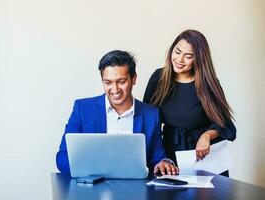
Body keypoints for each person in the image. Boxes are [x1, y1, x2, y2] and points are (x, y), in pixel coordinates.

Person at [56, 50, 178, 176]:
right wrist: (92, 168)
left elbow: (158, 157)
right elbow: (62, 158)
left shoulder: (151, 114)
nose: (115, 89)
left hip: (135, 191)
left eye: (121, 82)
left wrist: (164, 162)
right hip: (94, 189)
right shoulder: (83, 109)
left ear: (134, 79)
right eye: (108, 82)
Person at [143, 30, 236, 176]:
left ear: (198, 59)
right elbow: (146, 121)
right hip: (169, 158)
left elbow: (227, 126)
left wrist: (207, 135)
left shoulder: (208, 84)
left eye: (188, 56)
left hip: (205, 159)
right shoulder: (158, 78)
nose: (180, 59)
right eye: (177, 52)